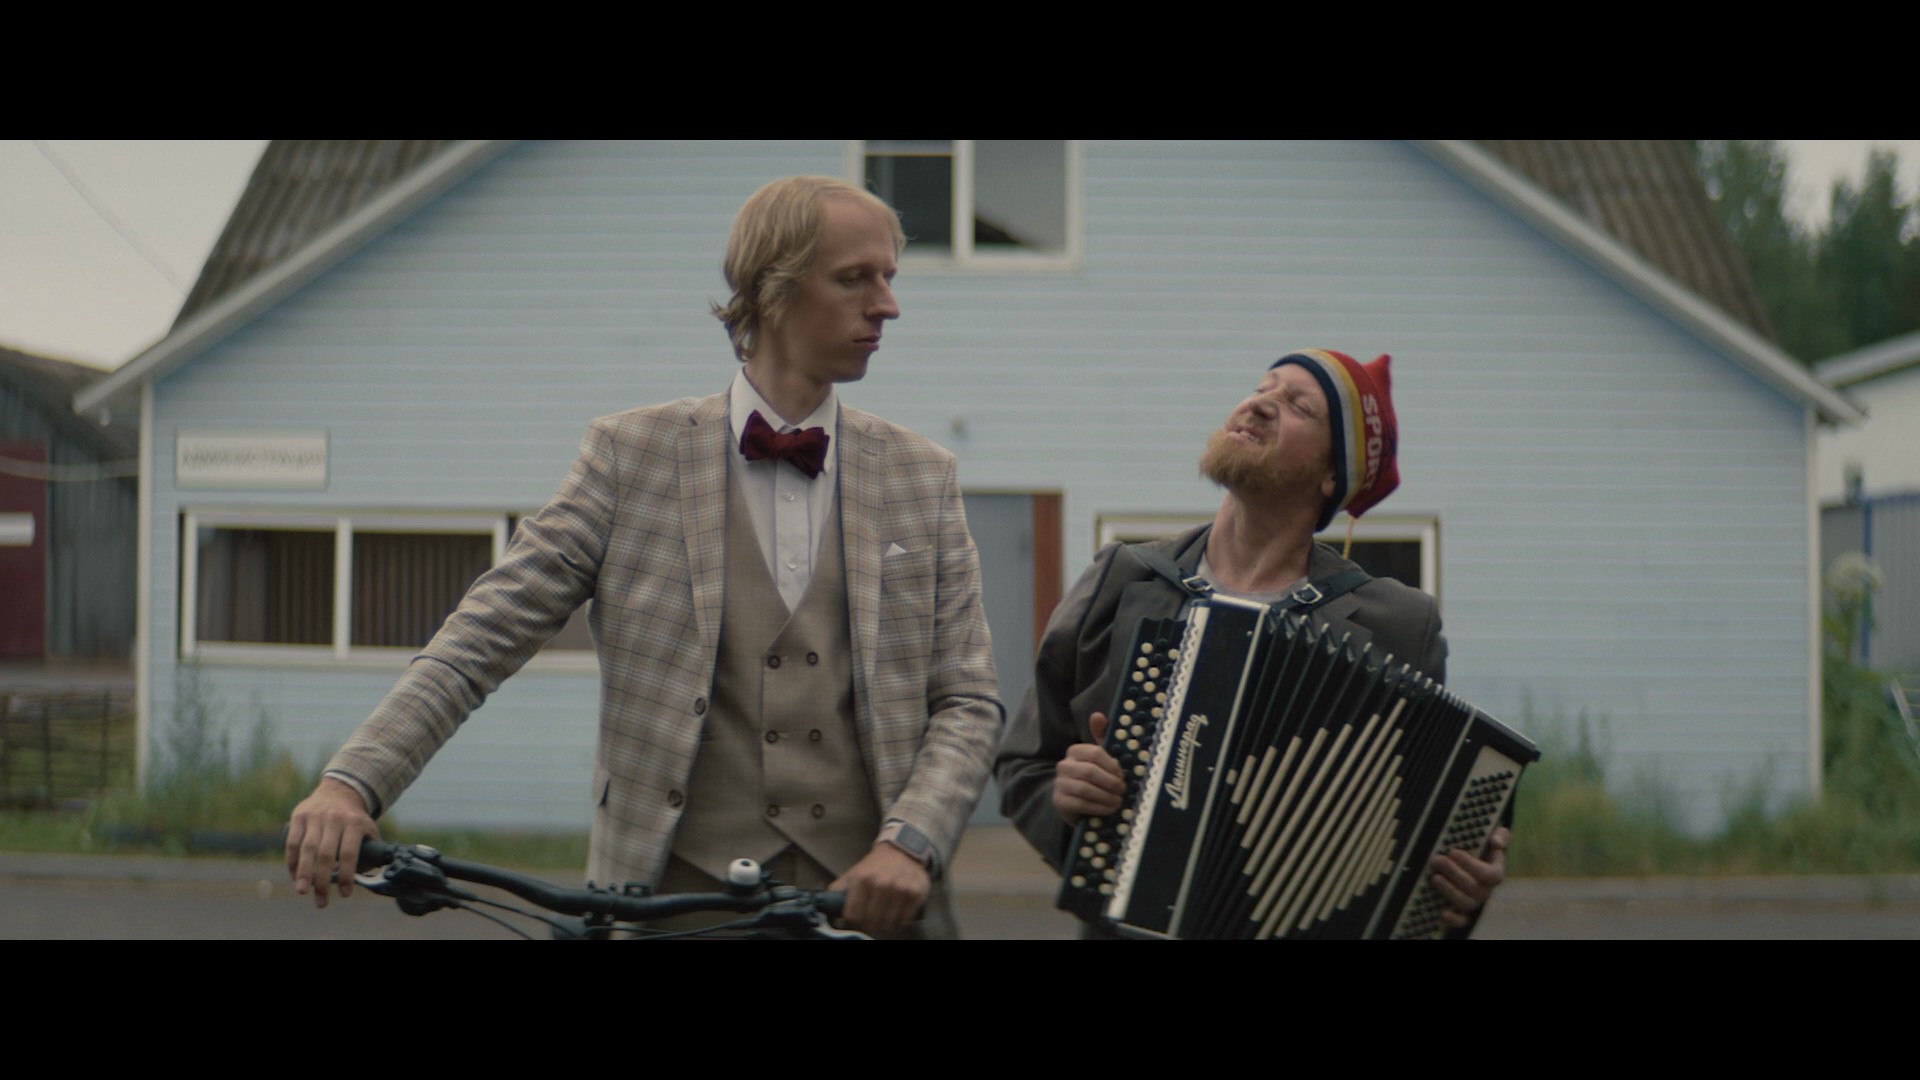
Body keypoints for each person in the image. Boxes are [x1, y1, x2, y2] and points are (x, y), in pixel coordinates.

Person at [285, 176, 1003, 938]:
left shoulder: (921, 477)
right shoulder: (630, 457)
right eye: (855, 278)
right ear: (775, 289)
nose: (888, 305)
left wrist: (910, 843)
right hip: (666, 903)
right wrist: (351, 783)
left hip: (865, 909)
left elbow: (968, 700)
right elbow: (479, 639)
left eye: (889, 277)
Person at [994, 349, 1507, 936]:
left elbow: (1425, 829)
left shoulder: (1399, 626)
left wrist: (1463, 887)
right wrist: (1067, 804)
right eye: (1263, 387)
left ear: (1332, 475)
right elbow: (1025, 761)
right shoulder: (1124, 577)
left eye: (1298, 406)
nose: (1260, 403)